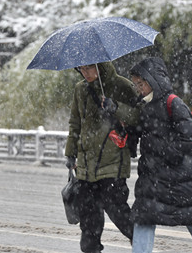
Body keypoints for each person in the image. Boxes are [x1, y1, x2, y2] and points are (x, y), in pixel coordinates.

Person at [129, 57, 192, 253]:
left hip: (182, 179)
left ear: (153, 80)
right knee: (143, 218)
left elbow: (189, 138)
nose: (139, 88)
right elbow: (139, 131)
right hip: (153, 178)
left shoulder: (174, 103)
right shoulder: (143, 106)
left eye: (141, 83)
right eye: (136, 84)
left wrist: (166, 155)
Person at [64, 61, 140, 253]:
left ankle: (141, 245)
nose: (85, 72)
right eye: (81, 68)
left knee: (119, 212)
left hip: (113, 162)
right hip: (86, 167)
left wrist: (116, 107)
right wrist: (71, 153)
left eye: (89, 67)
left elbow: (139, 117)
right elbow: (75, 123)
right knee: (88, 219)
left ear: (100, 66)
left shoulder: (122, 86)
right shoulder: (81, 89)